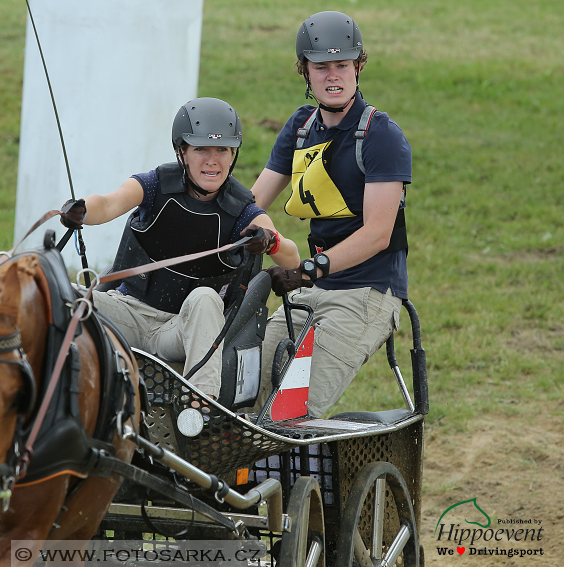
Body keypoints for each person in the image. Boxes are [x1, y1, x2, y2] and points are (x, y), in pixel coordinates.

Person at [60, 97, 299, 400]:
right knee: (61, 296)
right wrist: (81, 210)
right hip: (127, 313)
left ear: (233, 155)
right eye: (201, 149)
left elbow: (291, 258)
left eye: (222, 150)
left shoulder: (243, 210)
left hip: (179, 331)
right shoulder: (155, 184)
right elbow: (108, 203)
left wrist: (270, 240)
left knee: (205, 298)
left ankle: (200, 406)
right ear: (182, 152)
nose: (212, 160)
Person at [251, 11, 412, 417]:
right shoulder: (302, 126)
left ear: (358, 67)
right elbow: (251, 205)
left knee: (289, 410)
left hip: (367, 294)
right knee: (244, 387)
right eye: (321, 66)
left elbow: (378, 233)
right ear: (305, 71)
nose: (333, 75)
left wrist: (307, 269)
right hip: (312, 288)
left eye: (342, 64)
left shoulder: (381, 135)